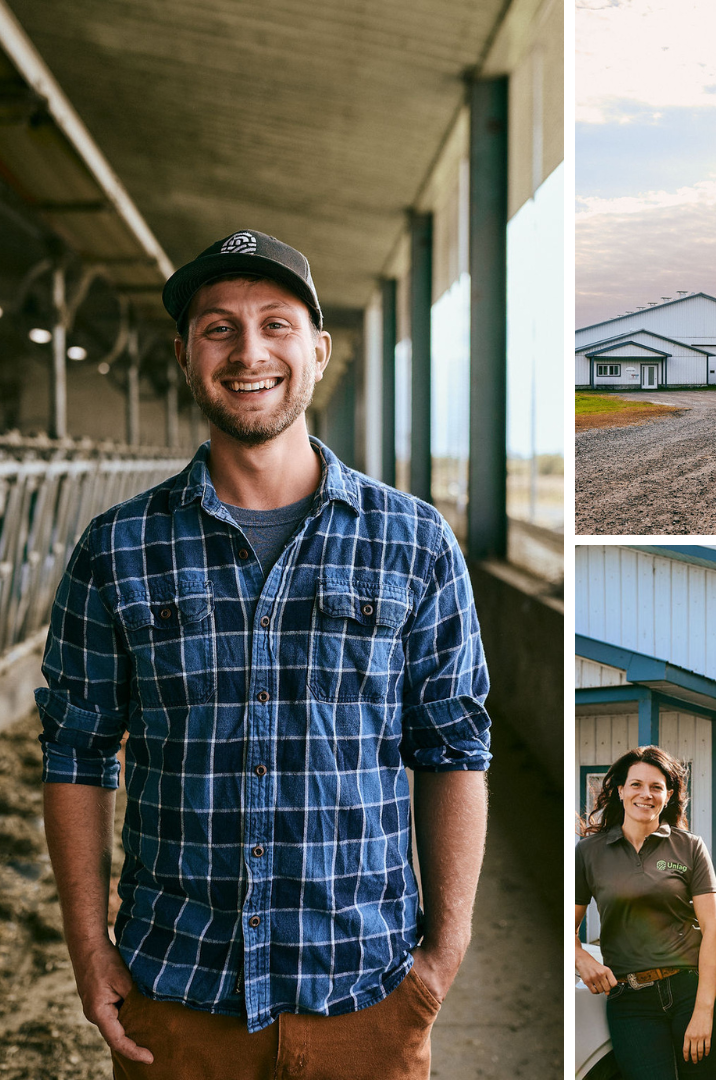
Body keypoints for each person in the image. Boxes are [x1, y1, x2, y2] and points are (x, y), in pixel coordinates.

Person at [37, 229, 491, 1080]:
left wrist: (442, 957)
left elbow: (453, 745)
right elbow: (76, 751)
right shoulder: (117, 547)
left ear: (318, 352)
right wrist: (88, 950)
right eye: (219, 328)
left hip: (366, 992)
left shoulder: (415, 541)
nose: (249, 352)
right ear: (184, 354)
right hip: (175, 996)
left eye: (276, 325)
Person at [574, 745, 716, 1079]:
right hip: (630, 1000)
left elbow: (714, 928)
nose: (645, 794)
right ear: (620, 791)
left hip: (694, 989)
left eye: (656, 787)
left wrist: (704, 1011)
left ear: (669, 795)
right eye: (636, 784)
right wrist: (580, 957)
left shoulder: (689, 846)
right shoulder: (589, 852)